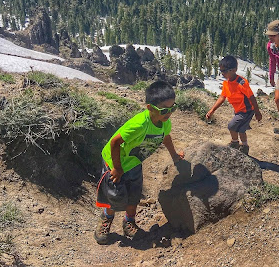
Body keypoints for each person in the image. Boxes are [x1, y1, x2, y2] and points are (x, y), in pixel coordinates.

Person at [94, 80, 184, 245]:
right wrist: (117, 168)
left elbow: (166, 137)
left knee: (134, 194)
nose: (169, 113)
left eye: (173, 108)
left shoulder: (164, 122)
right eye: (165, 109)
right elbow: (115, 142)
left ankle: (129, 222)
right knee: (114, 195)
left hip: (133, 162)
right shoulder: (140, 125)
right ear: (150, 107)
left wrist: (174, 155)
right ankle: (106, 219)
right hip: (115, 162)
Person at [206, 55, 262, 155]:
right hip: (238, 110)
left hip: (247, 111)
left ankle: (236, 143)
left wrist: (257, 112)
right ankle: (243, 146)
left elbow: (251, 97)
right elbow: (222, 98)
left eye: (225, 71)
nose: (222, 73)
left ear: (234, 70)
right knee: (241, 129)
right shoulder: (226, 84)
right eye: (221, 71)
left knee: (232, 126)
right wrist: (212, 110)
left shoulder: (242, 83)